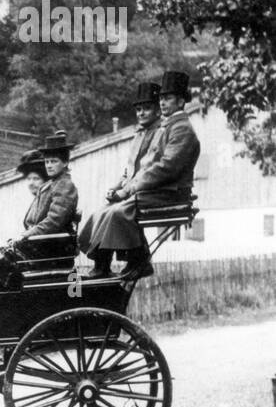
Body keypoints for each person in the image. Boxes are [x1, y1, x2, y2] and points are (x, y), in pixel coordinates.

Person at [79, 71, 199, 281]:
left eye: (168, 98)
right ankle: (102, 265)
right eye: (161, 98)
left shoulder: (181, 130)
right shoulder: (169, 127)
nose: (162, 102)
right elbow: (148, 166)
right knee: (105, 212)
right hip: (158, 190)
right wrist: (124, 188)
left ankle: (139, 260)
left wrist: (130, 189)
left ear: (181, 101)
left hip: (170, 192)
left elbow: (164, 168)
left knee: (118, 212)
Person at [12, 131, 80, 259]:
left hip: (53, 246)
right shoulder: (50, 184)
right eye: (47, 162)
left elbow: (54, 221)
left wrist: (29, 234)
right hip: (42, 242)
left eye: (54, 161)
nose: (49, 165)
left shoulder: (65, 185)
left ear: (65, 163)